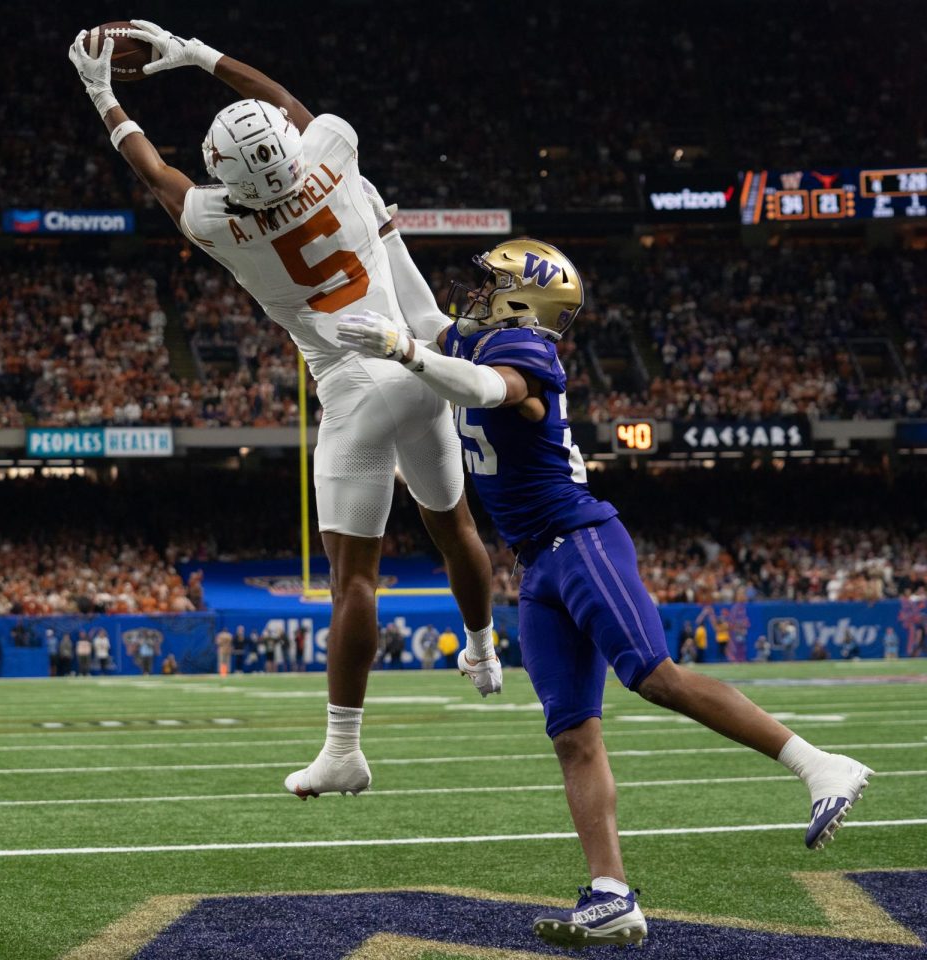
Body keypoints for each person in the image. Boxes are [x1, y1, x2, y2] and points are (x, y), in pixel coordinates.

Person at [336, 234, 873, 948]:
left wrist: (406, 352)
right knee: (572, 736)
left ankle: (819, 765)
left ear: (523, 300)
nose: (475, 296)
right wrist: (383, 233)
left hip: (580, 538)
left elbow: (483, 390)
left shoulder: (526, 351)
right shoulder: (470, 340)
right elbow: (422, 306)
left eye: (490, 285)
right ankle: (611, 892)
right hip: (538, 566)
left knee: (655, 677)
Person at [68, 24, 499, 802]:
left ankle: (344, 750)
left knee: (353, 582)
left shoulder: (218, 223)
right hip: (413, 363)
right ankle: (484, 651)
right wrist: (196, 53)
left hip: (351, 388)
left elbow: (154, 171)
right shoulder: (334, 149)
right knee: (455, 528)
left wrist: (103, 96)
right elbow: (286, 103)